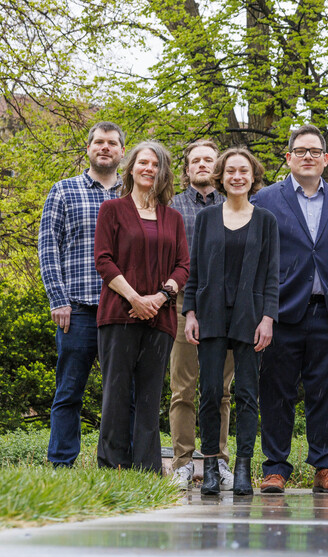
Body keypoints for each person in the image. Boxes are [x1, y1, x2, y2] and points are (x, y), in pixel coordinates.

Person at [256, 124, 328, 494]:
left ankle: (325, 466)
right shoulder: (266, 200)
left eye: (314, 151)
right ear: (288, 158)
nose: (307, 157)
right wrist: (263, 310)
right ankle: (275, 468)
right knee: (277, 392)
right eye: (300, 151)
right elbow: (259, 261)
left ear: (325, 159)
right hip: (281, 313)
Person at [183, 148, 279, 496]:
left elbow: (272, 274)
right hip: (209, 313)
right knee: (209, 391)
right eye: (230, 171)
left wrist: (268, 317)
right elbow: (193, 270)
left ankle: (242, 469)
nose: (237, 177)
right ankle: (210, 465)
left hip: (250, 316)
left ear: (253, 178)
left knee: (247, 394)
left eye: (244, 171)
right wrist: (190, 312)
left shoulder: (266, 220)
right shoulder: (207, 218)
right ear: (220, 177)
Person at [93, 141, 189, 472]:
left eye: (156, 165)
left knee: (150, 397)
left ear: (163, 173)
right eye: (143, 163)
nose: (149, 169)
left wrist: (159, 298)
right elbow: (103, 261)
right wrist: (135, 298)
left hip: (160, 318)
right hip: (119, 314)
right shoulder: (112, 210)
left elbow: (183, 266)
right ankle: (112, 465)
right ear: (131, 168)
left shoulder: (173, 218)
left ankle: (147, 469)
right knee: (116, 392)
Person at [38, 121, 126, 467]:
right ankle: (61, 463)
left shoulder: (132, 195)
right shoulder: (63, 190)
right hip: (78, 311)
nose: (105, 147)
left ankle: (119, 462)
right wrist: (58, 300)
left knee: (121, 393)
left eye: (112, 143)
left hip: (122, 312)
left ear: (122, 151)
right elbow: (48, 248)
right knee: (69, 390)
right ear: (88, 148)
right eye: (99, 142)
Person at [168, 139, 236, 491]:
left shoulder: (235, 205)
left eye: (208, 159)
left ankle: (218, 461)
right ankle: (182, 463)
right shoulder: (173, 206)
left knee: (221, 391)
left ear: (218, 166)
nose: (202, 165)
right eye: (195, 160)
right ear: (187, 168)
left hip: (226, 308)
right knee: (183, 388)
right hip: (182, 305)